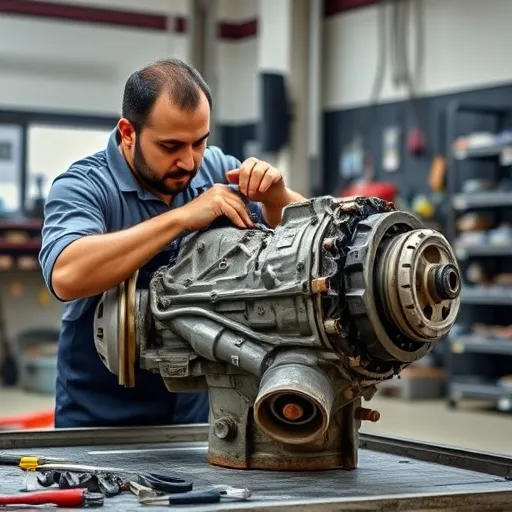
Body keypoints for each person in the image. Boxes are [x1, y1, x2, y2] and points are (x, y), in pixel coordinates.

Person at [39, 58, 307, 428]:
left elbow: (305, 238)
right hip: (98, 416)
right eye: (170, 146)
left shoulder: (216, 170)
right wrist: (181, 217)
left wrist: (277, 196)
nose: (189, 160)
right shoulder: (84, 186)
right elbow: (66, 275)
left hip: (199, 416)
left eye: (200, 142)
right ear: (128, 133)